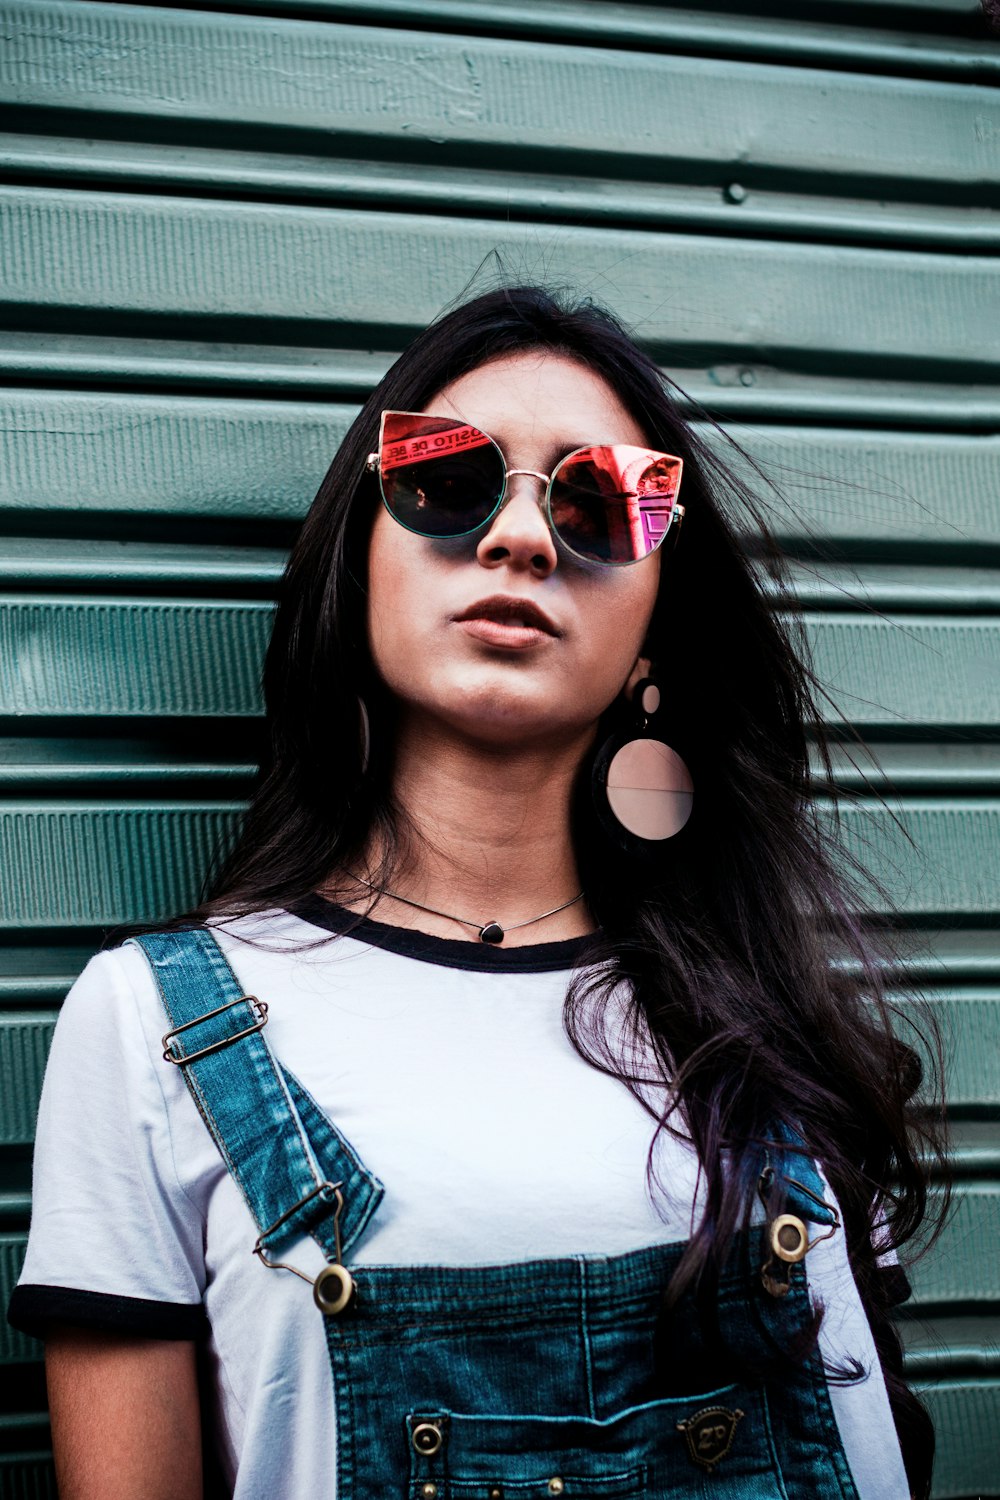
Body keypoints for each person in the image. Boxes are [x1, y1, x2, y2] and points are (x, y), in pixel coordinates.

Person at [8, 285, 944, 1500]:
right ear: (361, 565)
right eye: (448, 479)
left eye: (602, 500)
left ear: (655, 630)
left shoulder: (766, 1021)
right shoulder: (156, 1027)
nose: (520, 538)